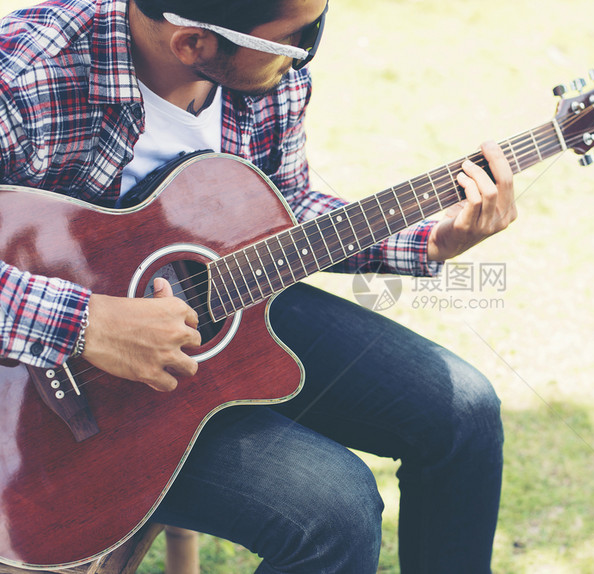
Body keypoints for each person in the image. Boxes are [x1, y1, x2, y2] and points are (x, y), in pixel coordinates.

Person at [0, 0, 516, 572]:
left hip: (228, 305)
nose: (305, 51)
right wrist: (87, 323)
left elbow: (285, 206)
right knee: (335, 509)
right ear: (193, 43)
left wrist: (432, 241)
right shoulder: (29, 73)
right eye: (295, 39)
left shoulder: (272, 72)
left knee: (462, 410)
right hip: (55, 406)